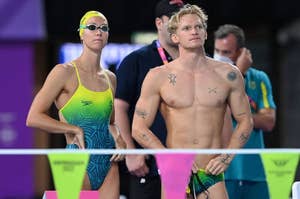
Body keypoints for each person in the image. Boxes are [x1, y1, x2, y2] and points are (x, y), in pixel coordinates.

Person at [132, 4, 253, 199]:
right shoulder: (158, 76)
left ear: (206, 34)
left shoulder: (229, 74)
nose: (194, 31)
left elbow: (245, 120)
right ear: (175, 37)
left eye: (199, 27)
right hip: (176, 171)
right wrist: (169, 157)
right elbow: (138, 127)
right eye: (186, 28)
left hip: (212, 170)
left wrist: (227, 157)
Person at [26, 11, 126, 199]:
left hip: (108, 161)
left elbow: (110, 122)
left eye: (103, 28)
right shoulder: (64, 72)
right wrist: (74, 129)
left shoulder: (110, 78)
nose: (98, 32)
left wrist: (119, 138)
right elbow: (33, 117)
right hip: (77, 160)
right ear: (81, 33)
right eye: (92, 27)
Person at [114, 0, 184, 198]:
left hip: (189, 162)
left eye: (182, 20)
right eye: (172, 19)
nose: (177, 25)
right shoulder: (136, 60)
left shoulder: (196, 62)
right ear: (158, 23)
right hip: (149, 166)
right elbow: (118, 108)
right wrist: (130, 152)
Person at [214, 24, 276, 199]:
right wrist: (238, 72)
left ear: (241, 53)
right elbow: (214, 114)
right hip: (222, 170)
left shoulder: (259, 78)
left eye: (226, 52)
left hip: (255, 171)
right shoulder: (208, 78)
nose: (220, 56)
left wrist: (239, 114)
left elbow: (269, 121)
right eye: (217, 51)